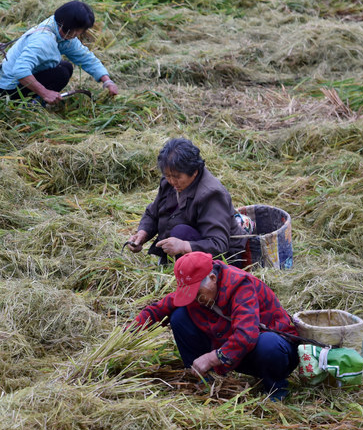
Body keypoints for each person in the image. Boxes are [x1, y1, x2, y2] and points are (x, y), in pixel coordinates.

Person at [131, 251, 300, 400]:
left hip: (270, 351)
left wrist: (212, 358)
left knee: (268, 344)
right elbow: (156, 310)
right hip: (231, 350)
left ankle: (276, 388)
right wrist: (127, 334)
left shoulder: (241, 285)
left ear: (212, 278)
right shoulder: (199, 288)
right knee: (179, 316)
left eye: (197, 293)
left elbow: (246, 335)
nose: (195, 298)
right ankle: (204, 378)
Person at [126, 138, 246, 265]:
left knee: (180, 232)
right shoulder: (170, 182)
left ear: (194, 171)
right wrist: (142, 235)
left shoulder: (211, 194)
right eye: (168, 175)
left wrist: (183, 246)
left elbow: (218, 245)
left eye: (177, 177)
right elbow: (153, 213)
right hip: (191, 247)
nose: (172, 181)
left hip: (223, 259)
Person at [0, 0, 119, 104]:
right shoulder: (43, 40)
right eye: (80, 30)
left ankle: (35, 99)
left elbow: (84, 56)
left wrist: (107, 80)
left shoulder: (61, 30)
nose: (79, 34)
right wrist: (45, 93)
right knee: (61, 73)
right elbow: (20, 71)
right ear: (71, 28)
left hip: (16, 82)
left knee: (66, 67)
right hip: (6, 92)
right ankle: (30, 105)